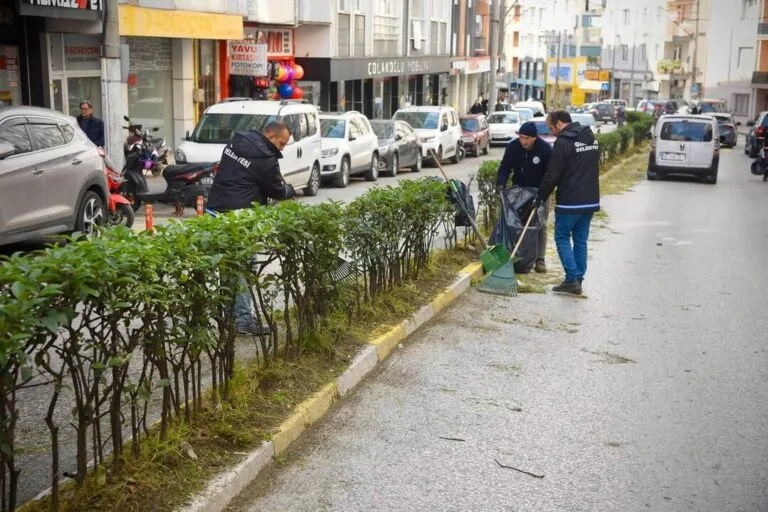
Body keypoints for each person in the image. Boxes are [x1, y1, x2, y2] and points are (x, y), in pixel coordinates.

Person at [206, 122, 296, 334]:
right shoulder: (266, 160)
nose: (282, 148)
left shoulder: (236, 141)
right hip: (240, 215)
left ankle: (228, 316)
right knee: (243, 268)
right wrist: (289, 189)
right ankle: (243, 321)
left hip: (215, 209)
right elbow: (276, 191)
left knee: (227, 265)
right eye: (281, 143)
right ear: (271, 135)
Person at [532, 110, 600, 295]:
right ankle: (578, 278)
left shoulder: (563, 142)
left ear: (560, 123)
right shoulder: (590, 138)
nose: (551, 131)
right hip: (590, 200)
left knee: (561, 237)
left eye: (551, 127)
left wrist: (540, 196)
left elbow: (552, 174)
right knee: (580, 240)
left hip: (570, 201)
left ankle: (571, 279)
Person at [496, 121, 553, 273]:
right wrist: (501, 183)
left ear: (535, 138)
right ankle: (516, 255)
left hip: (539, 191)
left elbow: (550, 175)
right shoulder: (513, 147)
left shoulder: (545, 149)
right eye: (521, 137)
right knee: (515, 223)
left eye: (527, 138)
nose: (523, 141)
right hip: (519, 191)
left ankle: (540, 260)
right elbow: (504, 167)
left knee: (539, 224)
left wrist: (542, 195)